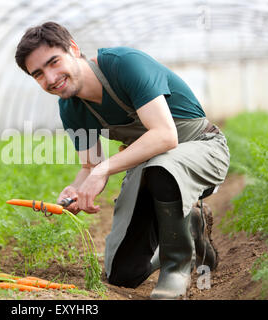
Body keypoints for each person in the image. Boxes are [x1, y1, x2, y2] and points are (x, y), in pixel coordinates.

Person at [14, 21, 230, 299]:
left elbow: (165, 136)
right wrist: (76, 190)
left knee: (161, 166)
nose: (51, 78)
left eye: (54, 62)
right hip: (152, 170)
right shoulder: (71, 107)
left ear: (74, 49)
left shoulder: (124, 65)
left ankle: (176, 267)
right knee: (123, 273)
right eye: (38, 74)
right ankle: (188, 231)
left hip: (203, 149)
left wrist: (104, 169)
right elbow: (90, 166)